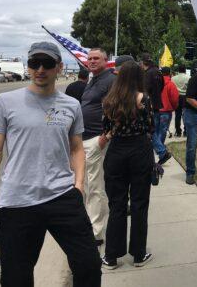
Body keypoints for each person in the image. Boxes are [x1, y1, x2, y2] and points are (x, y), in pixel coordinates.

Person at [0, 41, 101, 287]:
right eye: (35, 63)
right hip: (17, 202)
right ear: (28, 66)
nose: (40, 69)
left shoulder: (71, 105)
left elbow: (77, 148)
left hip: (62, 196)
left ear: (58, 67)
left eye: (47, 63)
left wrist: (78, 185)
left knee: (89, 265)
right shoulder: (6, 101)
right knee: (16, 278)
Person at [100, 61, 154, 270]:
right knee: (140, 203)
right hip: (140, 149)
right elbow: (150, 126)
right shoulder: (145, 99)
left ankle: (111, 256)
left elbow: (105, 128)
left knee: (117, 204)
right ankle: (139, 254)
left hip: (116, 151)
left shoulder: (109, 100)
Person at [81, 47, 116, 245]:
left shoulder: (110, 80)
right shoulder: (92, 79)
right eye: (90, 59)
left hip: (97, 139)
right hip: (83, 139)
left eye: (96, 58)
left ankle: (96, 232)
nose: (92, 61)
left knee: (95, 186)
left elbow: (120, 109)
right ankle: (90, 224)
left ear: (105, 60)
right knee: (86, 184)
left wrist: (106, 136)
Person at [139, 54, 170, 164]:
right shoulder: (158, 72)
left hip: (149, 105)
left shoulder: (147, 74)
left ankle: (162, 152)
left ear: (143, 63)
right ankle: (160, 152)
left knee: (150, 131)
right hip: (157, 104)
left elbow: (145, 90)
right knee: (154, 130)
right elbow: (162, 86)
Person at [155, 66, 179, 149]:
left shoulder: (155, 83)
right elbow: (175, 99)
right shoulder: (171, 85)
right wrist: (174, 107)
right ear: (170, 73)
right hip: (166, 110)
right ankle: (160, 146)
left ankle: (156, 145)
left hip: (156, 109)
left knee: (156, 129)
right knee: (163, 130)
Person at [172, 64, 190, 136]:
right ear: (185, 69)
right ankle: (186, 131)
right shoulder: (189, 77)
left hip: (177, 97)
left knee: (177, 114)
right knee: (186, 114)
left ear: (178, 70)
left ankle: (178, 131)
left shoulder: (173, 78)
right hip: (186, 97)